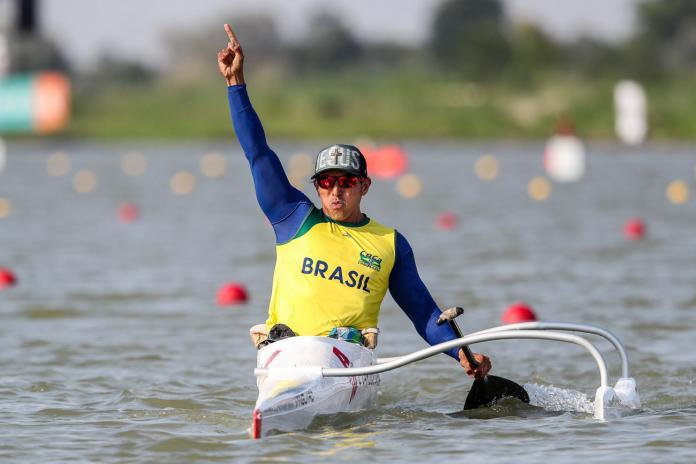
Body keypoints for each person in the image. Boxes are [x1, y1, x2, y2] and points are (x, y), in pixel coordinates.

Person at [217, 23, 491, 379]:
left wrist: (461, 354)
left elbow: (423, 312)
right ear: (316, 187)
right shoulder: (292, 217)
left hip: (346, 364)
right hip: (283, 354)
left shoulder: (389, 244)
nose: (335, 191)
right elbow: (257, 153)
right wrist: (235, 85)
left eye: (346, 182)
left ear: (365, 186)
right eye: (327, 182)